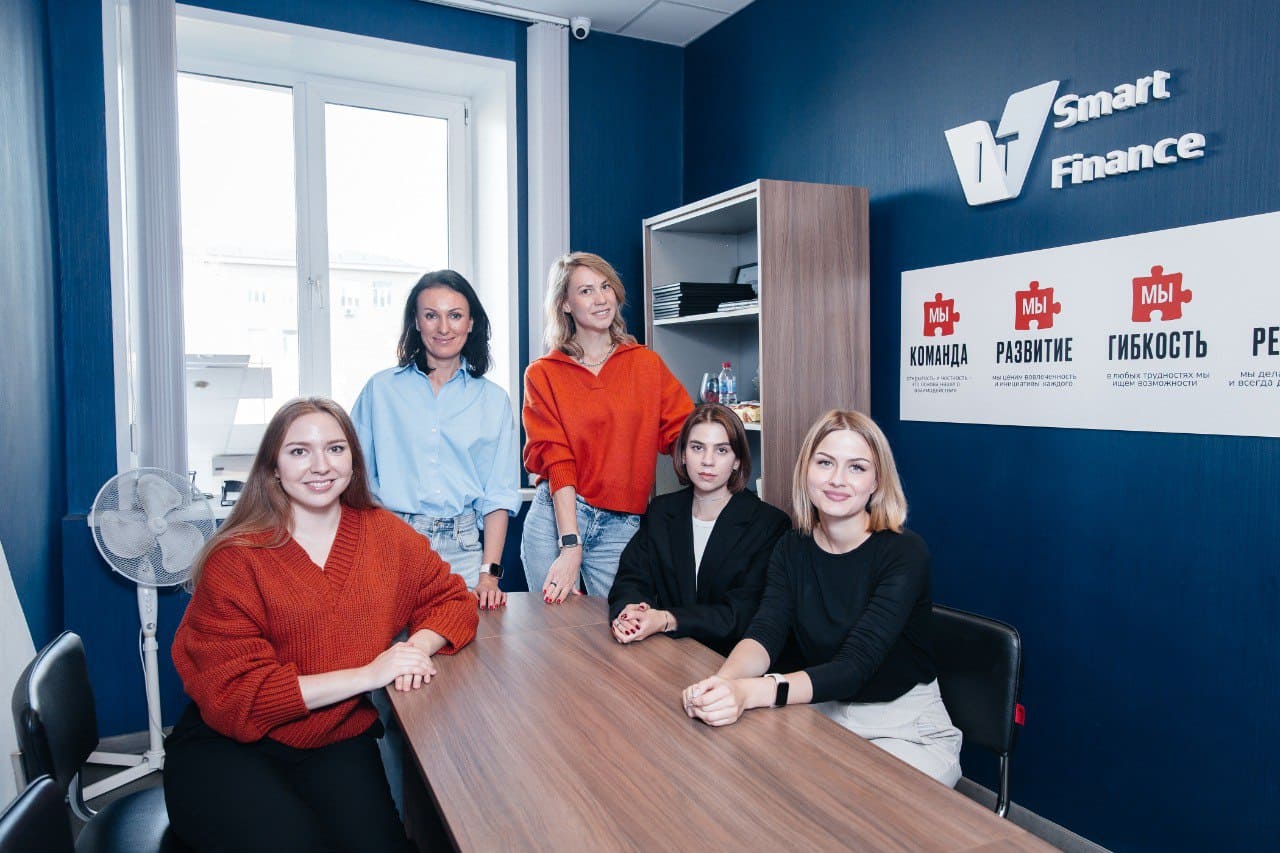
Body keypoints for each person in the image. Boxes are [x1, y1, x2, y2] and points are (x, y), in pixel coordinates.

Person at [164, 398, 478, 852]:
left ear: (353, 459)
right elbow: (238, 694)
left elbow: (453, 598)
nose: (320, 466)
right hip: (231, 747)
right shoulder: (236, 558)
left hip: (337, 738)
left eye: (335, 448)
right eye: (299, 451)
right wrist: (371, 674)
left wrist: (414, 651)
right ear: (273, 467)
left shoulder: (384, 534)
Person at [681, 410, 962, 787]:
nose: (837, 480)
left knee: (854, 812)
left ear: (877, 481)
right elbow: (765, 633)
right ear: (806, 470)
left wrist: (750, 692)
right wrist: (723, 684)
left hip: (903, 726)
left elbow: (853, 667)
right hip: (821, 710)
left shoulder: (904, 553)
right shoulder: (791, 547)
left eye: (857, 467)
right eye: (825, 462)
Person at [521, 251, 693, 602]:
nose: (601, 299)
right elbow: (556, 459)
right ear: (565, 304)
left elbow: (683, 434)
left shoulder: (645, 364)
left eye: (605, 287)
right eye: (585, 291)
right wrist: (570, 545)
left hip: (621, 523)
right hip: (557, 518)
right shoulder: (543, 373)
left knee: (620, 623)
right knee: (554, 628)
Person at [352, 270, 520, 611]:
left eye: (455, 315)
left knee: (469, 643)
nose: (444, 328)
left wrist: (489, 575)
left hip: (464, 550)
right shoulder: (380, 390)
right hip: (394, 543)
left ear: (471, 323)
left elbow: (498, 494)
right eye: (431, 315)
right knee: (391, 642)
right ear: (416, 322)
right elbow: (355, 477)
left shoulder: (493, 400)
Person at [608, 404, 790, 655]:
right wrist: (633, 611)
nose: (707, 461)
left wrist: (667, 619)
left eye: (721, 450)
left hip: (730, 661)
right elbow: (631, 577)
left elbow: (742, 613)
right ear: (683, 454)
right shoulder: (661, 511)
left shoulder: (769, 524)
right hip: (667, 652)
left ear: (737, 460)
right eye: (697, 447)